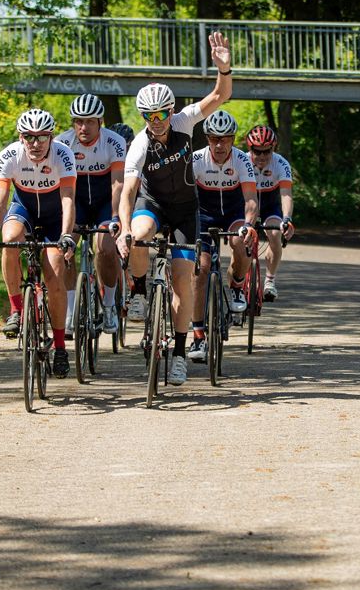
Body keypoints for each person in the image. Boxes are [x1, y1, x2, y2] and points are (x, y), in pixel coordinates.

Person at [116, 31, 234, 387]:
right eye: (149, 115)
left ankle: (180, 353)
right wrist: (123, 228)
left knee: (184, 278)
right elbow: (128, 191)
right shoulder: (139, 145)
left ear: (171, 110)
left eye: (162, 113)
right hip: (151, 204)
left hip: (185, 210)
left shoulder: (184, 122)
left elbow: (219, 96)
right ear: (143, 116)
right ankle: (138, 290)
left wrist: (224, 69)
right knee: (139, 236)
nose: (157, 120)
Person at [0, 109, 76, 376]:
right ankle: (16, 309)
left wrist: (66, 234)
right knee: (9, 239)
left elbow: (68, 198)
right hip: (23, 208)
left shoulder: (64, 155)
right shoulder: (9, 156)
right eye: (29, 137)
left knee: (55, 277)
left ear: (51, 137)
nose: (35, 144)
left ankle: (59, 347)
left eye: (41, 137)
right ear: (21, 137)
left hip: (54, 214)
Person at [187, 109, 258, 364]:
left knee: (240, 242)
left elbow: (250, 199)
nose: (219, 144)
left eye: (225, 138)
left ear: (233, 139)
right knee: (201, 269)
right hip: (203, 216)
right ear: (207, 138)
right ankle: (197, 334)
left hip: (234, 213)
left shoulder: (241, 160)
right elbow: (185, 199)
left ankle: (237, 285)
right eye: (214, 138)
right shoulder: (195, 160)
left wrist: (249, 225)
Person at [57, 93, 126, 337]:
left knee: (106, 248)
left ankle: (108, 306)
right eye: (78, 121)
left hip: (105, 203)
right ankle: (70, 310)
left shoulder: (115, 142)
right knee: (64, 250)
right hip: (77, 204)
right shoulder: (62, 144)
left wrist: (116, 217)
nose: (83, 127)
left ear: (100, 122)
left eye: (89, 122)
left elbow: (118, 184)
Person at [244, 124, 294, 300]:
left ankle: (270, 282)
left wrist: (287, 219)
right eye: (258, 151)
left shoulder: (281, 163)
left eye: (267, 151)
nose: (262, 156)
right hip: (246, 205)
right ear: (250, 148)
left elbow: (286, 194)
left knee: (274, 235)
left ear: (274, 148)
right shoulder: (241, 161)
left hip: (269, 206)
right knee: (240, 240)